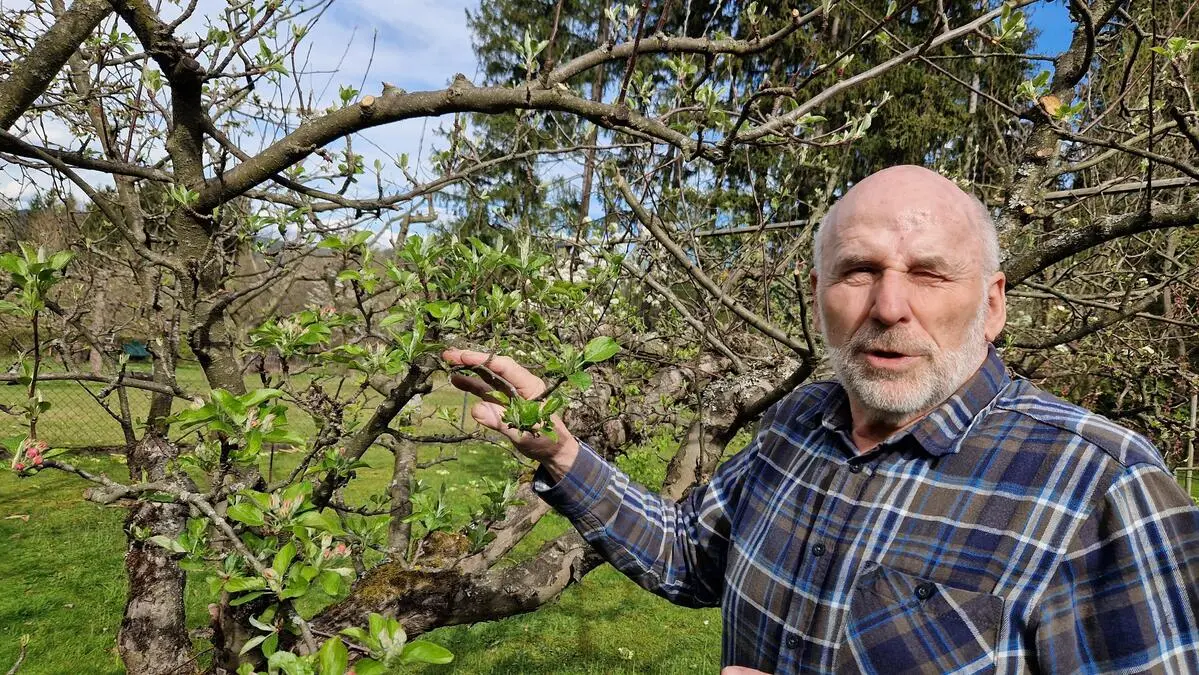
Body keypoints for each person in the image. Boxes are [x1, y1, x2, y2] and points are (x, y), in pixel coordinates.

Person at [443, 165, 1199, 674]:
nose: (889, 306)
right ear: (816, 298)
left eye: (929, 273)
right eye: (858, 270)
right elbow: (688, 554)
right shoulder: (799, 421)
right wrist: (562, 452)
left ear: (993, 304)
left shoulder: (1102, 487)